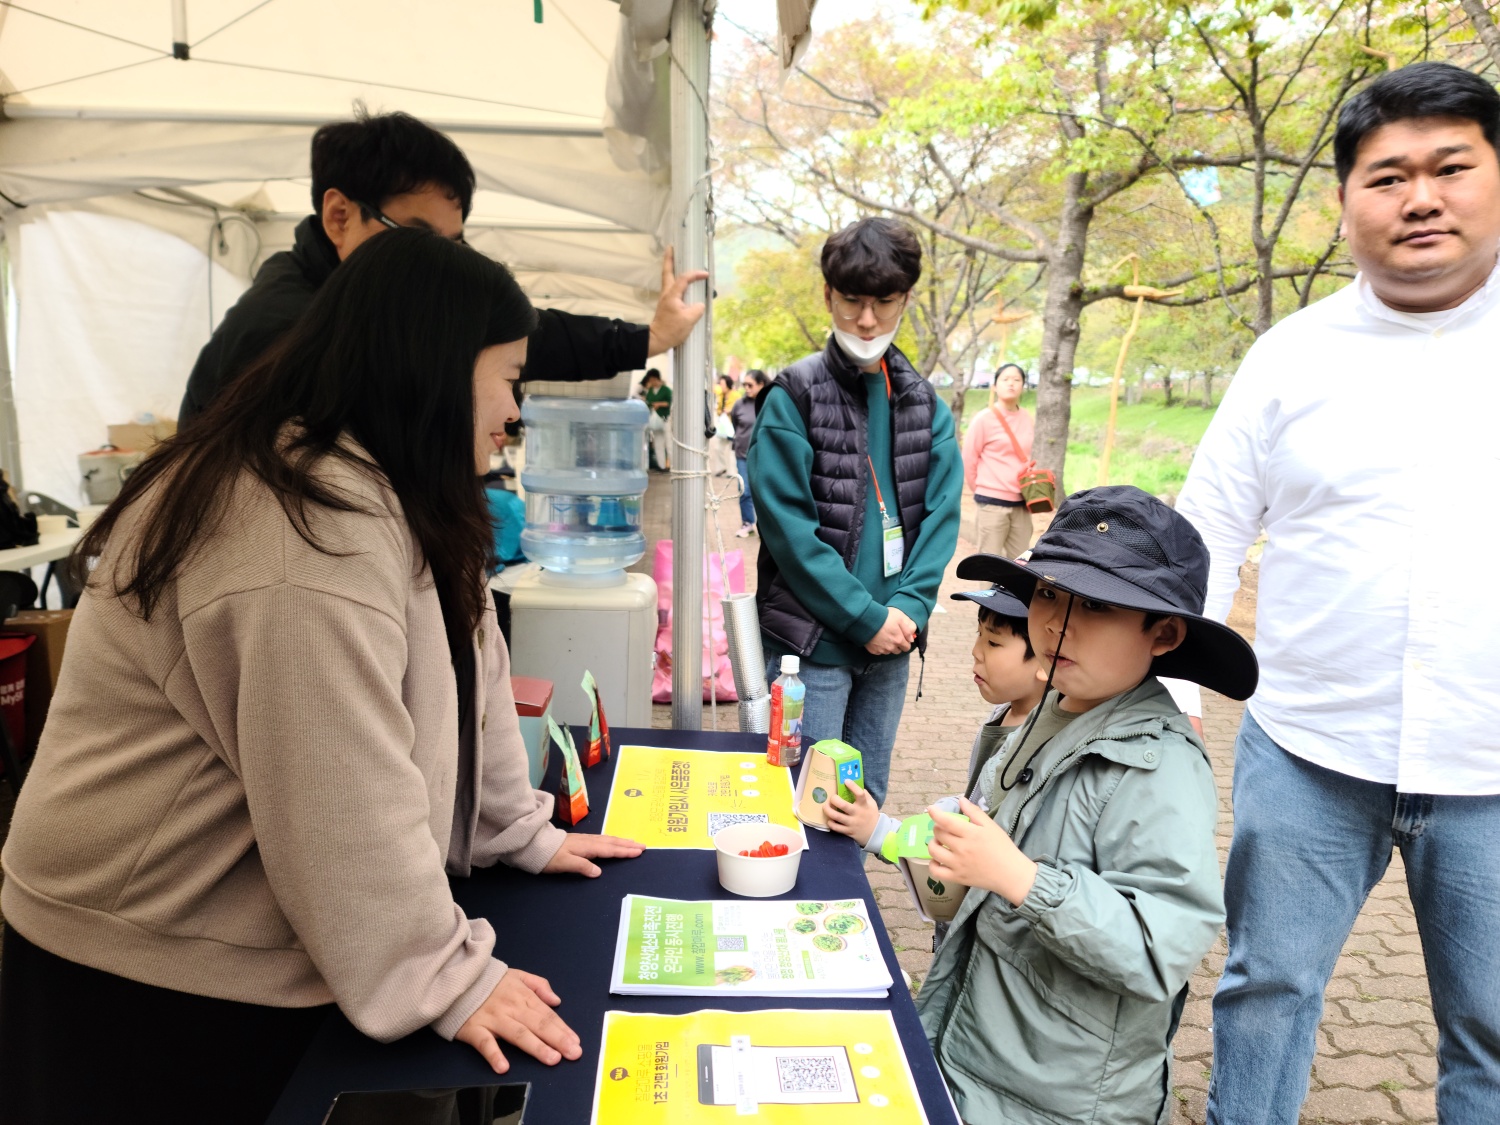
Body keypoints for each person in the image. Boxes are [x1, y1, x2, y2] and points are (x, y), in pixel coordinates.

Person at [0, 229, 644, 1124]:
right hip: (145, 966)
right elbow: (335, 793)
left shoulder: (392, 484)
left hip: (250, 931)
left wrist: (513, 827)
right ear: (429, 367)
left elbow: (472, 671)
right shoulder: (302, 532)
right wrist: (442, 974)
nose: (514, 409)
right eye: (506, 377)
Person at [1173, 61, 1500, 1124]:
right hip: (1308, 750)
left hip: (1492, 764)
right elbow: (1206, 535)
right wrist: (1171, 703)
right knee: (1265, 990)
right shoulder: (1289, 358)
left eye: (1452, 167)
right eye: (1388, 176)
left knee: (1492, 1029)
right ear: (1345, 201)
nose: (1421, 198)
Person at [912, 486, 1257, 1125]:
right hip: (980, 1053)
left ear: (1164, 633)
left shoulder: (1159, 766)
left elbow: (1158, 947)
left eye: (1096, 605)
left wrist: (1020, 878)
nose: (1057, 623)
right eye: (1048, 593)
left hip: (1062, 1099)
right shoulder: (1044, 707)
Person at [179, 109, 707, 421]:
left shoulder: (386, 301)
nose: (438, 267)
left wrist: (647, 339)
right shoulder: (284, 334)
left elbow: (516, 332)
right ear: (340, 216)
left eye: (452, 246)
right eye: (417, 237)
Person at [747, 217, 962, 806]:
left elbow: (942, 518)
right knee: (803, 804)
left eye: (884, 302)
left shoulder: (924, 403)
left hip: (892, 645)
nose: (867, 319)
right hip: (810, 652)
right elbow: (789, 532)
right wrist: (865, 618)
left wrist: (909, 608)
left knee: (865, 801)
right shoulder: (794, 396)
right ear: (828, 296)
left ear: (905, 300)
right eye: (852, 301)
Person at [823, 578, 1043, 870]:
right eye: (978, 634)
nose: (976, 651)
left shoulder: (1037, 748)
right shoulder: (1004, 713)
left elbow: (977, 851)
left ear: (1048, 657)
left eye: (993, 642)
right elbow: (980, 799)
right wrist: (954, 806)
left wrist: (879, 832)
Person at [961, 362, 1033, 558]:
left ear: (1023, 386)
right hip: (991, 504)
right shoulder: (983, 419)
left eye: (1017, 380)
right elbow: (969, 460)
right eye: (1005, 379)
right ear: (994, 386)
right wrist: (983, 490)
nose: (1011, 383)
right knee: (989, 563)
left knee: (1021, 563)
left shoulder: (1027, 418)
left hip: (1022, 503)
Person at [729, 368, 766, 537]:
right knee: (744, 490)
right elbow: (735, 424)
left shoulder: (768, 403)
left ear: (761, 384)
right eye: (744, 385)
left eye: (750, 385)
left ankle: (764, 527)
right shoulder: (739, 404)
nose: (746, 388)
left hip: (763, 456)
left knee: (763, 492)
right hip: (742, 454)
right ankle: (747, 522)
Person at [710, 373, 741, 478]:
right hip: (724, 427)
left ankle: (732, 472)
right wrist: (721, 411)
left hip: (734, 426)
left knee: (732, 450)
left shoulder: (736, 395)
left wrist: (730, 410)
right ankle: (721, 467)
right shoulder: (721, 396)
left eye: (722, 384)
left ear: (728, 384)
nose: (721, 386)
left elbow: (740, 408)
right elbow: (718, 410)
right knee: (718, 448)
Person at [642, 368, 672, 472]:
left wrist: (659, 404)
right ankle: (661, 466)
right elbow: (648, 402)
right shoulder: (650, 391)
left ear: (657, 378)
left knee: (669, 443)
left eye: (652, 379)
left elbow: (670, 402)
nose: (651, 382)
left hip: (665, 418)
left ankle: (672, 466)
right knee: (658, 443)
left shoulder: (666, 390)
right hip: (655, 420)